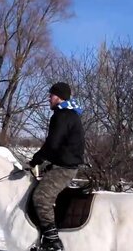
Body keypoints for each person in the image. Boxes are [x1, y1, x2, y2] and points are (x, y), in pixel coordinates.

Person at [29, 82, 85, 251]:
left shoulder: (62, 115)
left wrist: (35, 160)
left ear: (59, 97)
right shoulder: (70, 114)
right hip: (63, 164)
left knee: (40, 197)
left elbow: (53, 143)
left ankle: (53, 241)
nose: (49, 98)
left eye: (51, 95)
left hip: (65, 168)